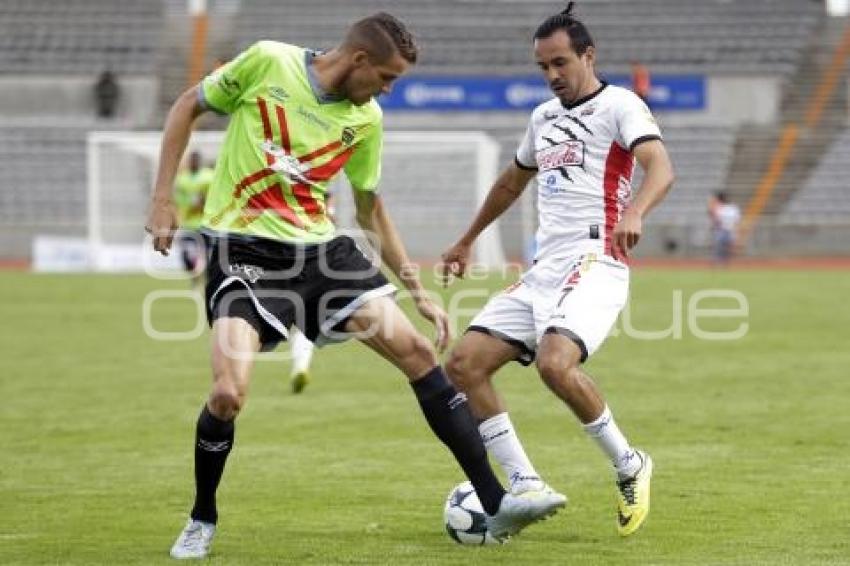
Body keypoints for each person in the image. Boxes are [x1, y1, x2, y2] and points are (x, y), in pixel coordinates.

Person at [145, 13, 565, 560]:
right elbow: (187, 105)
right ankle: (202, 516)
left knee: (416, 351)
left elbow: (370, 211)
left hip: (322, 255)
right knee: (228, 394)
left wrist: (416, 291)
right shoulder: (267, 60)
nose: (388, 90)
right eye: (387, 78)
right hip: (243, 252)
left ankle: (496, 501)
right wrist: (161, 198)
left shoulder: (365, 120)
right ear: (360, 60)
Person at [440, 2, 674, 538]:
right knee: (464, 364)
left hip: (598, 260)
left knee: (554, 364)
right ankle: (525, 483)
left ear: (588, 55)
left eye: (561, 63)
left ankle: (629, 463)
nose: (551, 76)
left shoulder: (620, 105)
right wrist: (467, 238)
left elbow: (661, 165)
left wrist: (636, 210)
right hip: (545, 266)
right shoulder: (542, 118)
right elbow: (510, 182)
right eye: (543, 66)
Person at [288, 190, 335, 393]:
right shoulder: (322, 206)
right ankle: (300, 367)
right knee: (304, 321)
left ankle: (300, 368)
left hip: (294, 263)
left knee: (298, 322)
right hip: (315, 265)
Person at [173, 150, 214, 287]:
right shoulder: (182, 179)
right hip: (188, 224)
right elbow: (179, 202)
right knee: (185, 255)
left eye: (196, 160)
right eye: (191, 160)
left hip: (205, 224)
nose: (193, 163)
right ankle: (194, 277)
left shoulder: (209, 177)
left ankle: (207, 280)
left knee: (208, 255)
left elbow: (214, 199)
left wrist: (203, 203)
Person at [708, 191, 740, 264]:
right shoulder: (720, 207)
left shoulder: (732, 207)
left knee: (727, 248)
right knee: (719, 247)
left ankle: (725, 262)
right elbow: (714, 216)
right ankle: (719, 262)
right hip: (722, 230)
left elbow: (736, 220)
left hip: (728, 229)